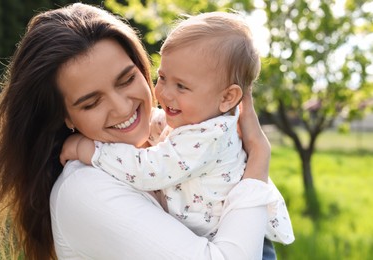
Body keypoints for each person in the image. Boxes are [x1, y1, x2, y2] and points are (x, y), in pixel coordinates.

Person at [0, 3, 278, 260]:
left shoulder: (166, 136)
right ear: (65, 116)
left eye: (126, 80)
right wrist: (259, 157)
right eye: (92, 102)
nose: (123, 108)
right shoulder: (86, 189)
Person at [61, 11, 294, 243]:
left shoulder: (207, 136)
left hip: (248, 245)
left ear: (227, 97)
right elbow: (159, 123)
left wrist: (87, 149)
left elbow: (147, 170)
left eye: (181, 86)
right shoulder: (202, 119)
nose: (164, 93)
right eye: (162, 78)